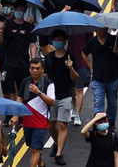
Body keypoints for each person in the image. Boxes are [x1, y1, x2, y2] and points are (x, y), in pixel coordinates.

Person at [82, 27, 118, 126]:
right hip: (98, 78)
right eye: (96, 29)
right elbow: (84, 53)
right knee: (98, 102)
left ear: (106, 29)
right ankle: (99, 124)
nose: (98, 31)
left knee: (112, 103)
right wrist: (91, 67)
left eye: (100, 29)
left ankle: (111, 123)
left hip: (113, 78)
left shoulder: (114, 40)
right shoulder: (92, 42)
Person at [44, 30, 78, 165]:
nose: (56, 42)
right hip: (51, 96)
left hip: (65, 95)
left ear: (64, 41)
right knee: (51, 124)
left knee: (62, 124)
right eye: (54, 40)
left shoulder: (70, 57)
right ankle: (57, 143)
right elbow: (45, 75)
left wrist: (70, 68)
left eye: (59, 39)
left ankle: (59, 153)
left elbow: (75, 79)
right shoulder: (49, 57)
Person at [20, 58, 56, 167]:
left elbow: (51, 102)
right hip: (27, 121)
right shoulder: (25, 81)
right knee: (33, 149)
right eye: (32, 68)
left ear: (42, 69)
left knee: (35, 150)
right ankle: (41, 164)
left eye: (37, 68)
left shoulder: (49, 84)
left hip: (40, 122)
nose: (35, 70)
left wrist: (38, 92)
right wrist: (16, 115)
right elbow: (19, 97)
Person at [0, 3, 35, 100]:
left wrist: (33, 60)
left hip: (23, 63)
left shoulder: (29, 27)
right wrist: (1, 30)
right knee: (7, 90)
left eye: (21, 9)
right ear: (14, 10)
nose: (19, 11)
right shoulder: (7, 25)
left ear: (25, 11)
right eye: (17, 9)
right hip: (8, 63)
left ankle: (20, 113)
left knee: (22, 91)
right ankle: (8, 113)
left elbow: (32, 44)